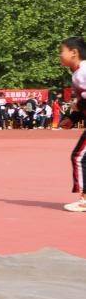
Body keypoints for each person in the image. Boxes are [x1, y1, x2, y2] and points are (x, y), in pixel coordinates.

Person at [59, 37, 86, 213]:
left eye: (62, 51)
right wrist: (73, 118)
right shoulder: (78, 73)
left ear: (74, 52)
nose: (60, 56)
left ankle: (84, 200)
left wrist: (77, 107)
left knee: (79, 157)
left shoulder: (82, 73)